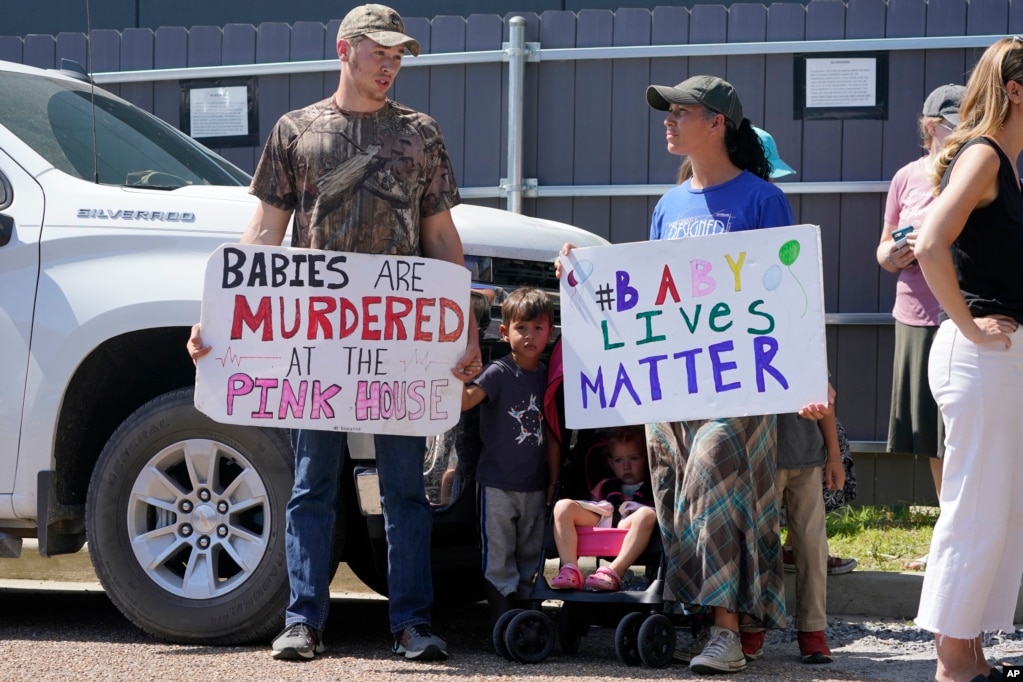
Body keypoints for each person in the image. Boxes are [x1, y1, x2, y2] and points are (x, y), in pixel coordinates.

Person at [185, 3, 482, 662]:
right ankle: (302, 622)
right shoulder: (297, 131)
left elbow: (440, 240)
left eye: (399, 53)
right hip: (314, 344)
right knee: (312, 483)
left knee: (406, 489)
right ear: (345, 50)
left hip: (400, 342)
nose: (391, 64)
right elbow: (263, 235)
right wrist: (216, 319)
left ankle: (412, 623)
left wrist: (465, 333)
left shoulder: (420, 134)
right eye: (379, 51)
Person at [640, 74, 793, 675]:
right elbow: (647, 295)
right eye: (667, 112)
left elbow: (789, 293)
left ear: (717, 124)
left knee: (713, 474)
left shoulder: (761, 199)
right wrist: (580, 275)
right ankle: (702, 621)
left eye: (682, 112)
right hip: (676, 380)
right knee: (678, 493)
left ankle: (727, 632)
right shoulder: (667, 205)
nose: (669, 121)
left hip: (739, 382)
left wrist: (808, 376)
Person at [913, 37, 1023, 682]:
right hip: (980, 357)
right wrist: (971, 326)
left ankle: (972, 656)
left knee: (999, 510)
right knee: (975, 509)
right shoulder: (982, 155)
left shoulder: (1003, 164)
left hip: (996, 359)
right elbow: (929, 242)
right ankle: (954, 664)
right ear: (1015, 91)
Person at [753, 125, 857, 579]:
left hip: (802, 439)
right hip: (758, 438)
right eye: (766, 177)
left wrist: (833, 454)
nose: (772, 189)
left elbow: (821, 383)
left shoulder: (772, 222)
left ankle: (801, 560)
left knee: (811, 506)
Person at [877, 83, 965, 573]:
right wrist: (895, 254)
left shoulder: (979, 170)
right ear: (932, 127)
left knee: (965, 431)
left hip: (966, 316)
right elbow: (883, 249)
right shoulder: (906, 177)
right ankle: (946, 543)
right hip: (916, 316)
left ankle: (961, 543)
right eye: (955, 123)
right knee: (933, 435)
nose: (964, 132)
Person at [461, 287, 558, 626]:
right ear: (504, 332)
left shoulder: (549, 376)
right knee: (499, 556)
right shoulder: (499, 372)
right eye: (522, 328)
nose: (530, 336)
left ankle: (529, 621)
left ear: (551, 332)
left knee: (531, 556)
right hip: (497, 485)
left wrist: (553, 481)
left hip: (535, 486)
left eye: (538, 328)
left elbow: (553, 434)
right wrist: (455, 371)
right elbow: (466, 401)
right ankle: (502, 622)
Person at [774, 384, 846, 664]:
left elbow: (825, 401)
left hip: (808, 456)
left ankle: (812, 629)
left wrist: (834, 456)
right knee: (761, 544)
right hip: (761, 457)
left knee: (812, 547)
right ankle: (752, 627)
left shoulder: (810, 342)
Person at [548, 425, 657, 592]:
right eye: (619, 460)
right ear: (611, 463)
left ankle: (614, 572)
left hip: (632, 520)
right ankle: (570, 569)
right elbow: (595, 510)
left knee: (647, 514)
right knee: (563, 506)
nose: (626, 466)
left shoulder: (655, 488)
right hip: (605, 516)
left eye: (634, 458)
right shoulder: (604, 486)